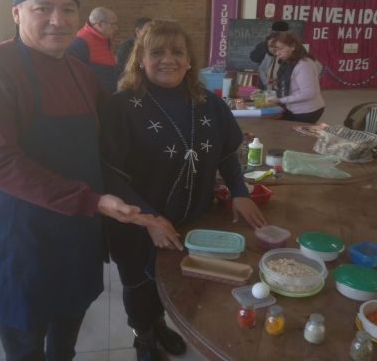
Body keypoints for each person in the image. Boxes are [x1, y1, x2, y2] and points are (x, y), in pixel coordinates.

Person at [0, 0, 156, 360]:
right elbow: (0, 163)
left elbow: (108, 141)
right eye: (42, 8)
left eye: (67, 9)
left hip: (75, 232)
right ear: (16, 13)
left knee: (67, 331)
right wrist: (91, 200)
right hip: (20, 234)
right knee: (26, 343)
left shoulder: (80, 73)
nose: (57, 20)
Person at [99, 20, 267, 361]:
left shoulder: (208, 104)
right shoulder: (121, 107)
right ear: (140, 60)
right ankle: (143, 337)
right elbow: (109, 174)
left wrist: (239, 191)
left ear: (190, 60)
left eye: (177, 52)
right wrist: (148, 219)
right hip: (137, 222)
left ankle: (159, 324)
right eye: (156, 52)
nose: (168, 59)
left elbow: (226, 153)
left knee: (173, 281)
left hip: (190, 218)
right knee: (140, 284)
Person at [266, 31, 325, 123]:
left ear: (293, 46)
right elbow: (293, 79)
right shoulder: (291, 61)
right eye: (276, 50)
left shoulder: (303, 65)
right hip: (293, 108)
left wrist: (280, 100)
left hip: (307, 110)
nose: (277, 54)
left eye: (281, 49)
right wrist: (278, 81)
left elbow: (308, 92)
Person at [67, 7, 118, 95]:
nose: (116, 28)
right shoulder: (80, 43)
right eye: (112, 24)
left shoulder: (104, 39)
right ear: (99, 24)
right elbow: (70, 77)